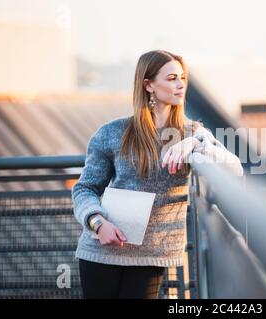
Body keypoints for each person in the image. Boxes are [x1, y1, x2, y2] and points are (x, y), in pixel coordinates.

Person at [72, 49, 243, 299]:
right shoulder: (112, 132)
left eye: (182, 78)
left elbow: (235, 168)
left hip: (151, 256)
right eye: (172, 78)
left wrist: (193, 143)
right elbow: (85, 188)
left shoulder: (192, 133)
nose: (180, 84)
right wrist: (98, 224)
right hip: (102, 249)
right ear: (148, 85)